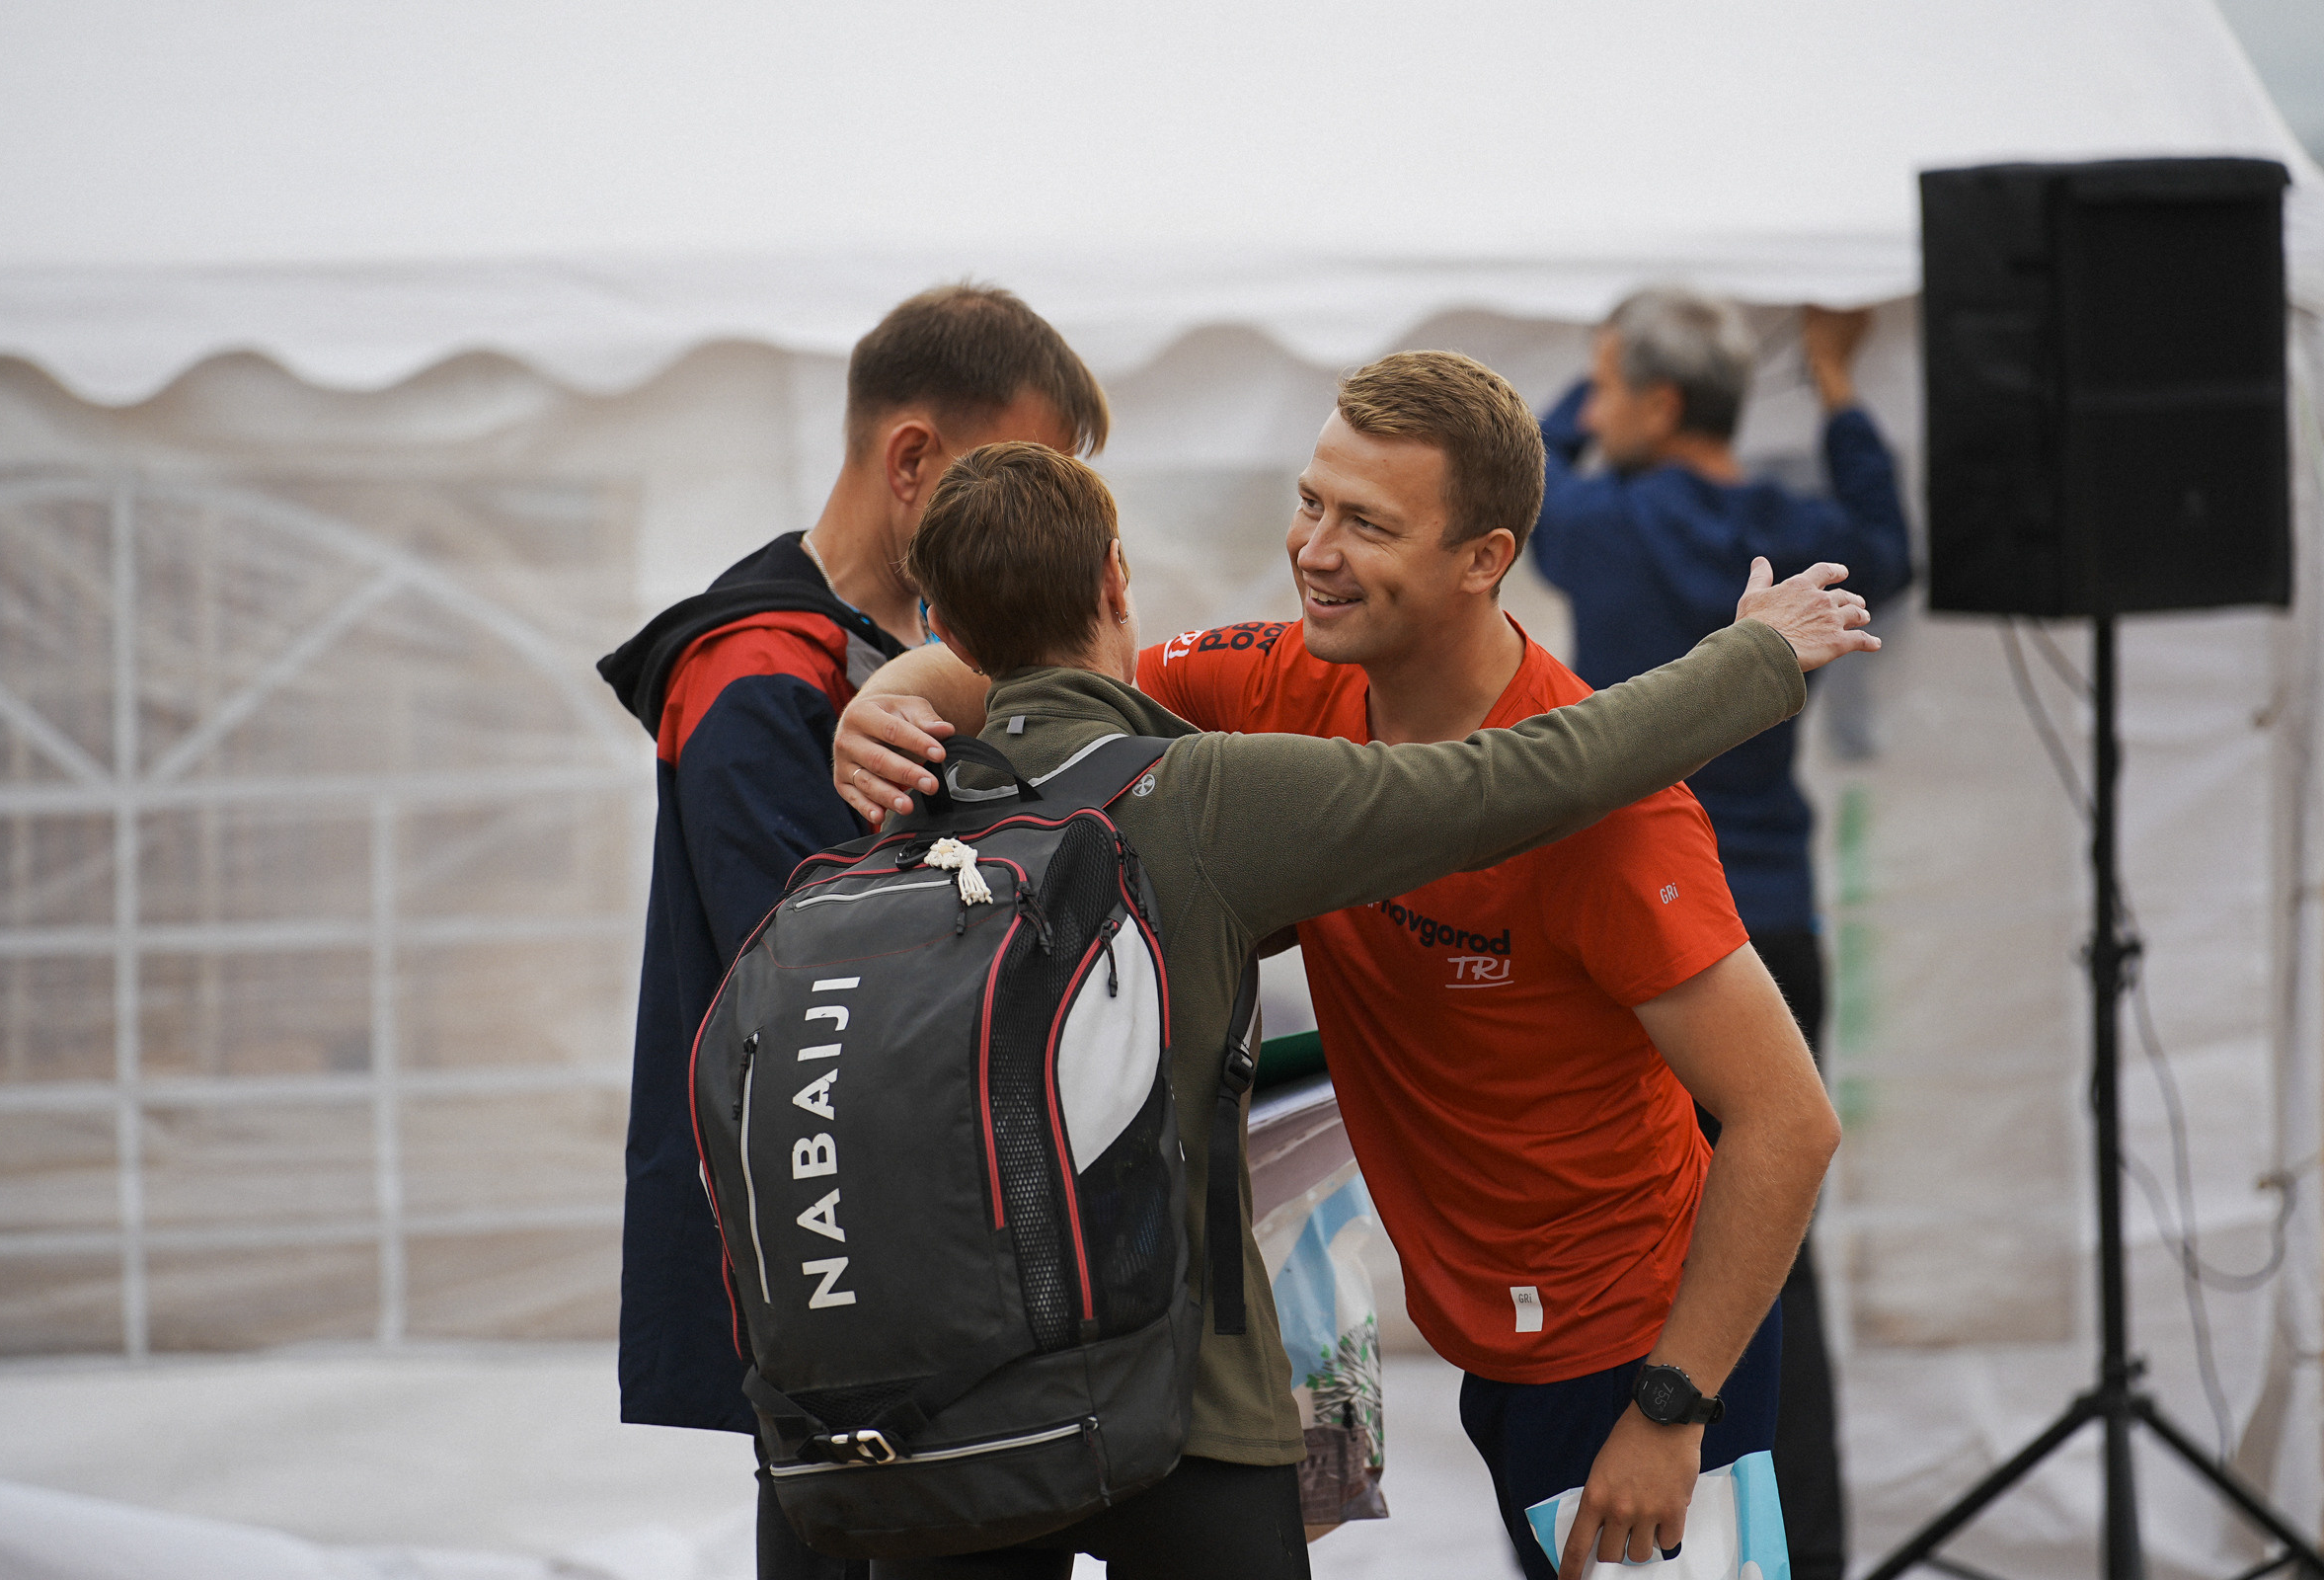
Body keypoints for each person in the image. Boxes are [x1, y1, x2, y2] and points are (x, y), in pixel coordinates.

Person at [836, 354, 1863, 1578]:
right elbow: (1044, 659)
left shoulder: (1615, 819)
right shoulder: (1283, 680)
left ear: (1483, 558)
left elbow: (1789, 1122)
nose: (1314, 548)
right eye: (1313, 500)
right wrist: (885, 700)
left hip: (1634, 1354)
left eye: (1365, 522)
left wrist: (1673, 1407)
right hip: (1500, 1347)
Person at [595, 283, 1110, 1580]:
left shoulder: (891, 654)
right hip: (843, 1259)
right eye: (1017, 476)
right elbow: (828, 979)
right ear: (914, 463)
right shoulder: (762, 673)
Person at [1531, 288, 1914, 1580]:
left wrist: (1607, 373)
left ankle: (1651, 1548)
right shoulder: (1792, 534)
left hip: (1649, 949)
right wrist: (1835, 382)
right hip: (1777, 926)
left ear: (1648, 401)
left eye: (1610, 377)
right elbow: (1891, 545)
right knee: (1772, 1261)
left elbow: (1526, 466)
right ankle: (1804, 1547)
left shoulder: (1602, 521)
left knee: (1639, 1258)